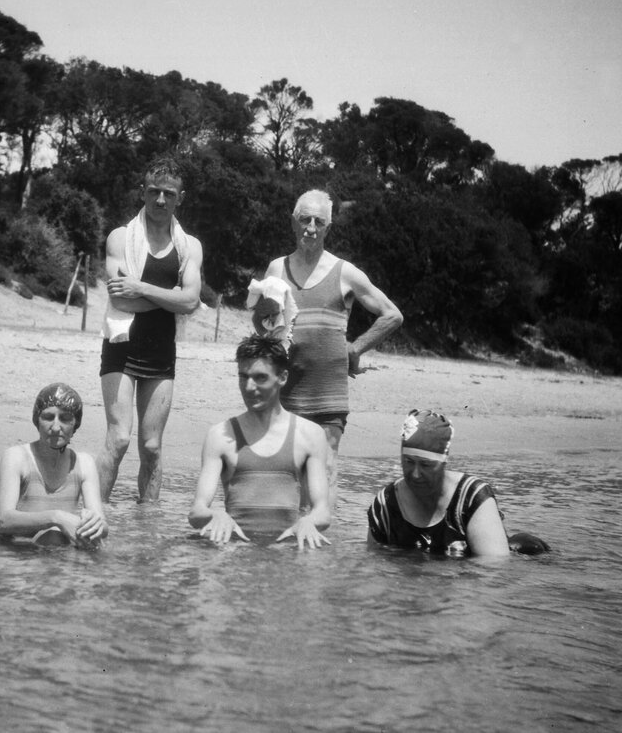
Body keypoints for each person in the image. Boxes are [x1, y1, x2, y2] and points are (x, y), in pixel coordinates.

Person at [258, 189, 403, 512]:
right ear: (293, 223)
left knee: (324, 467)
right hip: (286, 387)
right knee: (287, 471)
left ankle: (321, 545)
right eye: (304, 220)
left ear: (328, 228)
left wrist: (356, 348)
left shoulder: (345, 272)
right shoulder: (275, 270)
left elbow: (392, 315)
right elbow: (265, 326)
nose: (311, 227)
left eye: (318, 221)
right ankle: (288, 542)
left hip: (328, 390)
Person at [97, 157, 204, 503]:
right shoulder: (120, 237)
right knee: (119, 438)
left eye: (168, 194)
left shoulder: (190, 246)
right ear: (142, 192)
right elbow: (122, 300)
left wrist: (142, 288)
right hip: (122, 346)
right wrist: (171, 296)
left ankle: (149, 529)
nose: (160, 200)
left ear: (180, 198)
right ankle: (94, 513)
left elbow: (190, 302)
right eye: (154, 192)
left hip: (161, 349)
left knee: (152, 446)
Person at [188, 335, 331, 548]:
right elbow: (197, 510)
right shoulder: (219, 435)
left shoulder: (310, 434)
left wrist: (308, 521)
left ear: (282, 377)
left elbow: (322, 511)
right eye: (243, 377)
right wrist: (216, 516)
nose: (248, 387)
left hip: (286, 545)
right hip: (235, 547)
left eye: (260, 378)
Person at [367, 409, 511, 557]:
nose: (415, 474)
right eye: (409, 462)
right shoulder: (385, 505)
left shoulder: (473, 498)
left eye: (425, 465)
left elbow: (493, 567)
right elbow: (374, 564)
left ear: (443, 462)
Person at [0, 383, 108, 547]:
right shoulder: (16, 457)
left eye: (65, 418)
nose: (56, 427)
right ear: (37, 420)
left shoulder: (84, 463)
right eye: (48, 417)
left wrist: (97, 525)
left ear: (75, 424)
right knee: (53, 538)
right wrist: (56, 518)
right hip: (20, 553)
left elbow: (103, 527)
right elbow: (4, 521)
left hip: (62, 551)